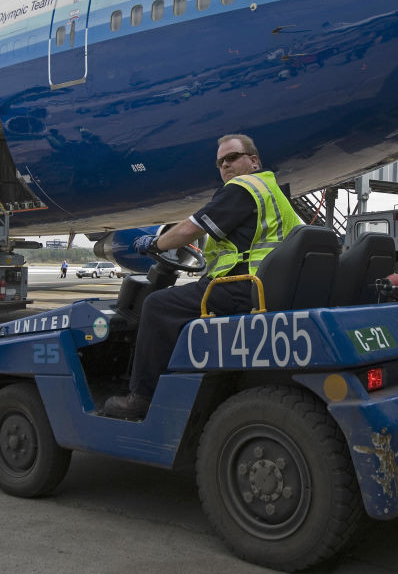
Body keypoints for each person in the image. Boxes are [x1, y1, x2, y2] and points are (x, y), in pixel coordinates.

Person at [103, 134, 303, 419]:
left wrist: (154, 244)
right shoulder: (272, 191)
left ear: (254, 160)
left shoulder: (242, 188)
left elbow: (190, 229)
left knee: (157, 305)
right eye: (220, 162)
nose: (225, 165)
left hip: (243, 288)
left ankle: (142, 397)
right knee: (184, 301)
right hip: (263, 288)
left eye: (232, 157)